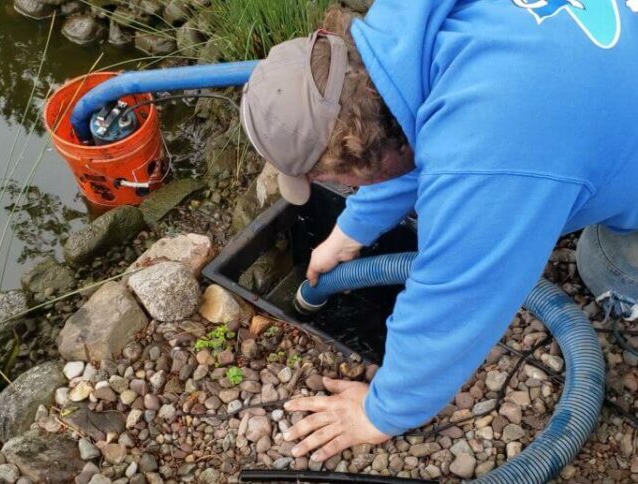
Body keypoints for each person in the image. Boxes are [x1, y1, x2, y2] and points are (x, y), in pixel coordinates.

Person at [239, 2, 638, 464]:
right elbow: (406, 135)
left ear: (359, 160)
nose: (343, 188)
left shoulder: (489, 152)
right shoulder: (403, 30)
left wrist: (379, 413)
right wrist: (349, 232)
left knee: (601, 262)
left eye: (340, 179)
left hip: (550, 127)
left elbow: (457, 296)